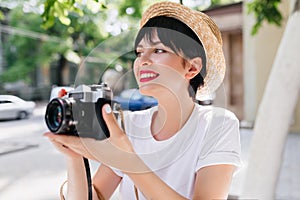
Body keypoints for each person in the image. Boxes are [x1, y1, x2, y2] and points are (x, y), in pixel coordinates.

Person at [44, 1, 241, 200]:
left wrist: (128, 160)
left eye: (158, 50)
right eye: (139, 52)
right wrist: (76, 156)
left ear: (191, 67)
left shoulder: (218, 124)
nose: (143, 61)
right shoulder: (131, 126)